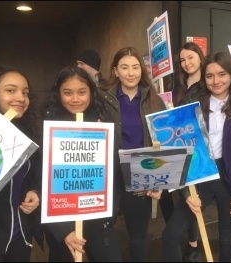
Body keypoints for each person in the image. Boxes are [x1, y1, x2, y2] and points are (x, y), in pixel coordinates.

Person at [162, 51, 231, 262]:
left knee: (227, 240)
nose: (216, 81)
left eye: (222, 74)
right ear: (203, 77)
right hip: (199, 173)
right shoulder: (191, 102)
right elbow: (181, 145)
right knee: (170, 235)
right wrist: (186, 192)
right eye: (210, 75)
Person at [42, 66, 123, 262]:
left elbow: (114, 170)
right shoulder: (47, 125)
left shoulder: (103, 122)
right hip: (63, 224)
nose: (75, 99)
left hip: (99, 220)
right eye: (67, 93)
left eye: (82, 92)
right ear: (58, 94)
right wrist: (63, 230)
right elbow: (41, 180)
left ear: (91, 93)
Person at [98, 46, 165, 262]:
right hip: (109, 175)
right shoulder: (101, 99)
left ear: (142, 70)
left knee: (138, 234)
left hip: (141, 172)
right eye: (124, 67)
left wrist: (159, 180)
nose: (130, 73)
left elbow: (163, 142)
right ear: (115, 71)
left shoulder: (154, 99)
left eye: (135, 67)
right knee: (103, 230)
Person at [0, 64, 44, 262]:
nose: (21, 98)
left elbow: (33, 176)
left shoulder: (28, 134)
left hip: (19, 237)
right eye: (10, 90)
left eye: (25, 92)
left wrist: (34, 192)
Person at [166, 41, 207, 262]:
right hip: (178, 144)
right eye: (182, 60)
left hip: (200, 147)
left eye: (190, 57)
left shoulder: (208, 83)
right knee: (184, 195)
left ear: (200, 57)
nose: (187, 63)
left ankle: (193, 244)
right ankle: (188, 241)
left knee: (194, 197)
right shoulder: (177, 85)